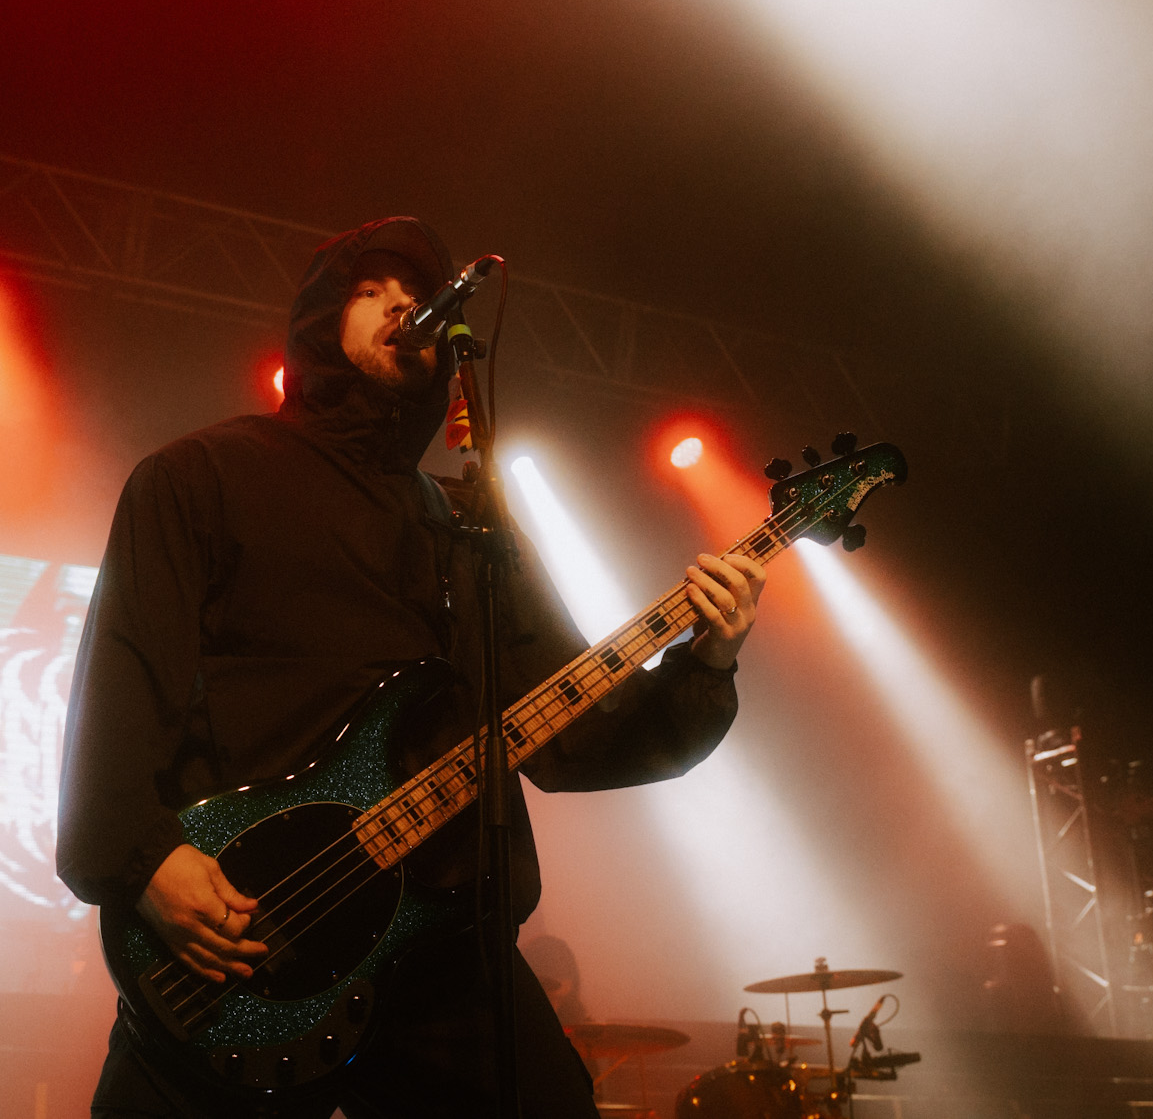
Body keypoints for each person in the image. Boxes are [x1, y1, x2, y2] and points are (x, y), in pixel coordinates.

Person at [57, 217, 767, 1118]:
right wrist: (145, 860)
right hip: (248, 935)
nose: (404, 307)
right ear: (320, 319)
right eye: (371, 291)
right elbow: (120, 684)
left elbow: (574, 735)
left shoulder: (468, 525)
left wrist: (707, 661)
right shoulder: (198, 477)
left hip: (439, 940)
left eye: (417, 293)